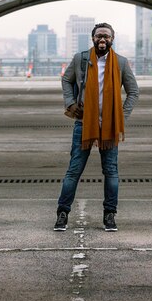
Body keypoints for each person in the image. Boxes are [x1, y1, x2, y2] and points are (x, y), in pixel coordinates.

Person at [54, 22, 139, 232]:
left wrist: (121, 116)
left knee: (111, 171)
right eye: (99, 36)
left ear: (112, 40)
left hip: (109, 125)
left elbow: (133, 92)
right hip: (83, 123)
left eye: (107, 37)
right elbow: (66, 80)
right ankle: (62, 213)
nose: (103, 39)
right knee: (74, 170)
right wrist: (70, 103)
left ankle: (110, 215)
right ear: (93, 38)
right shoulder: (81, 59)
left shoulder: (120, 62)